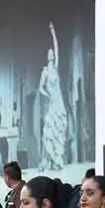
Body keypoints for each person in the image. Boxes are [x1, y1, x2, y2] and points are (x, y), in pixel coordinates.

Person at [38, 23, 68, 172]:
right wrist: (47, 95)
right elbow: (40, 88)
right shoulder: (45, 72)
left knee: (59, 130)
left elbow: (57, 47)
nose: (52, 54)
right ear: (47, 56)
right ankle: (50, 160)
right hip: (52, 102)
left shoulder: (55, 68)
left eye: (53, 53)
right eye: (49, 53)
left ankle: (58, 160)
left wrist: (53, 32)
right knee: (50, 131)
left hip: (59, 102)